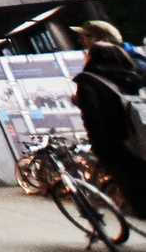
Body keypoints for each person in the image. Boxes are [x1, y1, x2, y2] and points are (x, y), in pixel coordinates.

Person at [73, 39, 146, 217]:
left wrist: (99, 148)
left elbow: (93, 117)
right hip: (143, 138)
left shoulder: (89, 80)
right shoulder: (137, 77)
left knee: (137, 194)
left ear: (90, 58)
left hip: (118, 145)